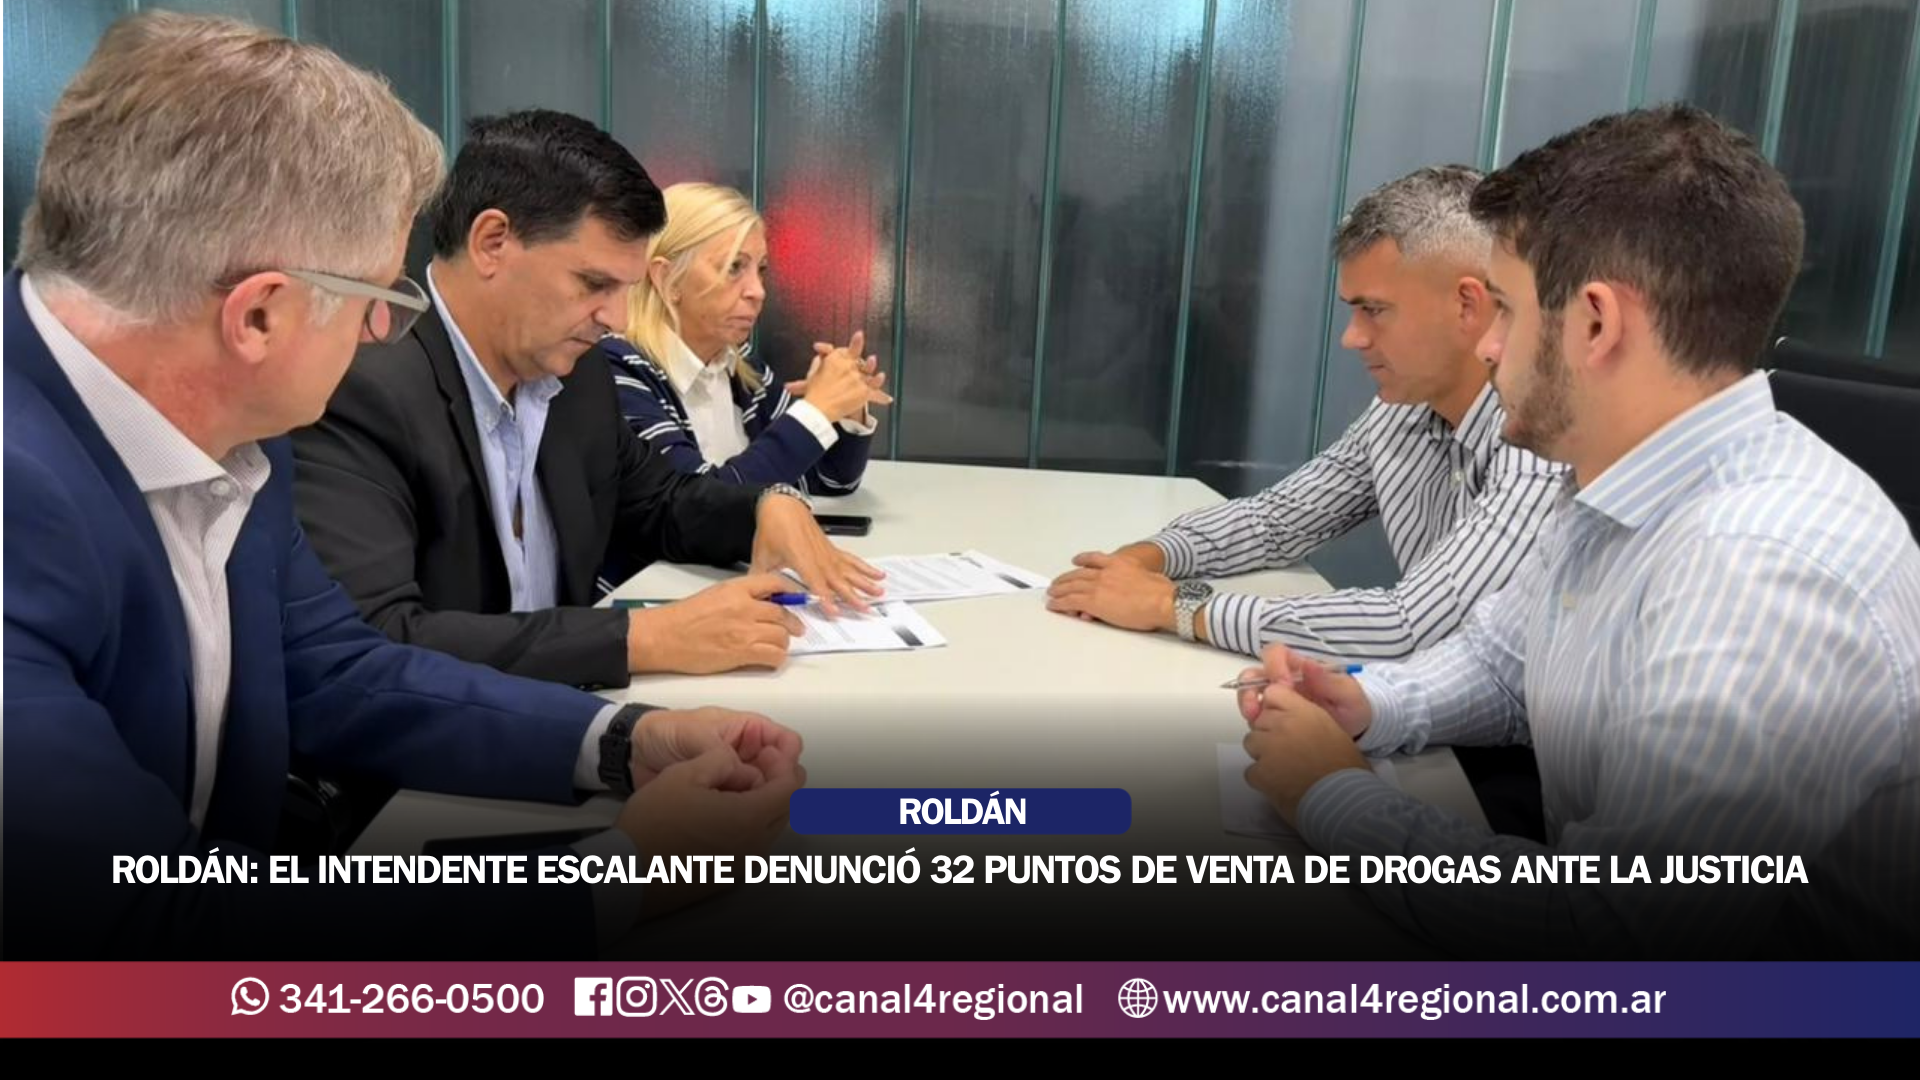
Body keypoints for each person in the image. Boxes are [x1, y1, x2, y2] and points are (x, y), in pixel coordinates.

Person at [4, 12, 803, 959]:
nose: (382, 334)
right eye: (378, 299)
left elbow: (339, 669)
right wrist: (618, 876)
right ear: (258, 316)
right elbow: (144, 937)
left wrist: (624, 741)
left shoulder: (240, 435)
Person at [1238, 105, 1920, 960]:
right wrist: (1371, 702)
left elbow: (1609, 930)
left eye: (1505, 310)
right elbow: (1502, 660)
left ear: (1596, 323)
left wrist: (1332, 795)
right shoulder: (1616, 475)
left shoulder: (1760, 572)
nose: (1487, 347)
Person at [292, 113, 886, 691]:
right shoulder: (359, 390)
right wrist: (639, 639)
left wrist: (763, 506)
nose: (618, 319)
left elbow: (662, 503)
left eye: (626, 289)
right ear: (492, 243)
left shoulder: (577, 376)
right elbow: (377, 641)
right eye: (595, 284)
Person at [1047, 166, 1565, 666]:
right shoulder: (1402, 411)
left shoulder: (1541, 441)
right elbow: (1276, 521)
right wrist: (1143, 558)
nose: (1352, 337)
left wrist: (1172, 606)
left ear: (1467, 305)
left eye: (1374, 310)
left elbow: (1408, 628)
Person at [599, 181, 890, 495]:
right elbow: (696, 504)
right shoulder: (616, 371)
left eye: (760, 269)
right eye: (733, 267)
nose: (758, 291)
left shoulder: (742, 368)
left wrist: (845, 406)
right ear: (667, 278)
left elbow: (830, 480)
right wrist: (815, 411)